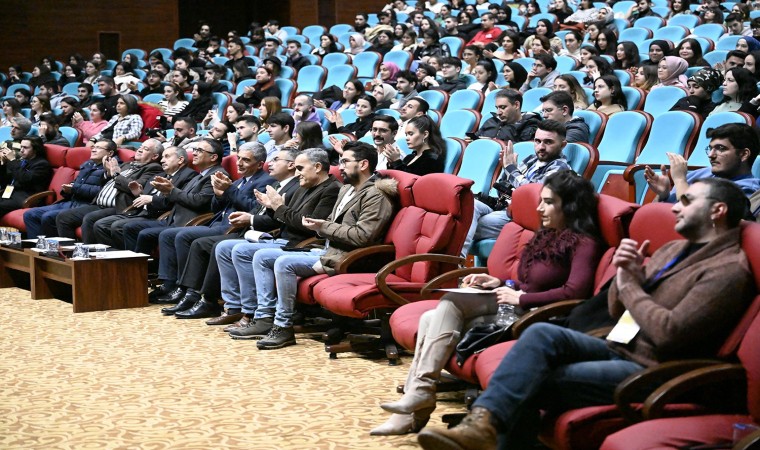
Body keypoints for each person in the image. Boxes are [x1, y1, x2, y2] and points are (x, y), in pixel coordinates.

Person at [416, 177, 755, 450]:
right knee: (541, 334)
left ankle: (484, 426)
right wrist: (624, 278)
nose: (675, 207)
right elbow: (617, 310)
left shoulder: (726, 271)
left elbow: (669, 333)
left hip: (652, 368)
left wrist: (629, 284)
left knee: (528, 380)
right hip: (619, 342)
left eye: (687, 201)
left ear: (717, 210)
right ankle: (483, 424)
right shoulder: (674, 249)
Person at [373, 170, 604, 435]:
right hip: (514, 305)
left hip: (539, 317)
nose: (539, 208)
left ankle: (419, 396)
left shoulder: (585, 243)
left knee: (448, 305)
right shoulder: (546, 235)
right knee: (429, 318)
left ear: (571, 206)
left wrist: (521, 297)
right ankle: (416, 403)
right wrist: (498, 282)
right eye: (541, 200)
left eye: (549, 202)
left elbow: (575, 293)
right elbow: (528, 281)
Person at [244, 142, 398, 349]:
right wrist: (320, 226)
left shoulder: (376, 195)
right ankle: (264, 317)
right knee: (262, 257)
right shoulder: (346, 189)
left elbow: (363, 236)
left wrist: (323, 226)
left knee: (283, 263)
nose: (340, 167)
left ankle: (283, 326)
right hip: (329, 249)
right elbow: (331, 225)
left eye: (345, 162)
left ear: (363, 164)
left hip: (349, 257)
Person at [214, 149, 340, 336]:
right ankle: (237, 307)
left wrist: (278, 206)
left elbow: (308, 226)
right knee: (225, 247)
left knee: (247, 252)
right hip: (285, 239)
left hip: (302, 244)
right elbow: (286, 218)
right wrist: (272, 207)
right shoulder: (304, 185)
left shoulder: (331, 189)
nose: (297, 173)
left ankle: (259, 314)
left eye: (300, 168)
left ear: (317, 167)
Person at [152, 143, 275, 318]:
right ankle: (186, 291)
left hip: (233, 228)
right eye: (238, 158)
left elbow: (253, 208)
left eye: (246, 160)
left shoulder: (266, 181)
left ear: (260, 164)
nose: (239, 163)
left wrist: (230, 190)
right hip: (218, 224)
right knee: (180, 236)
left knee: (189, 238)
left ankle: (191, 293)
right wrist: (218, 195)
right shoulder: (239, 181)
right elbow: (217, 209)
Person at [462, 120, 574, 256]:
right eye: (537, 141)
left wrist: (510, 168)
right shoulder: (531, 160)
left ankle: (455, 261)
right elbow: (503, 188)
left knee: (465, 222)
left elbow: (531, 193)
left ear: (562, 145)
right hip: (503, 207)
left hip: (521, 216)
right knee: (468, 206)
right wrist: (507, 170)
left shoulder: (561, 168)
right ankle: (454, 260)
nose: (541, 147)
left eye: (548, 142)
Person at [121, 139, 227, 254]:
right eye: (195, 149)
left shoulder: (218, 175)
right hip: (172, 219)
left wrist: (171, 190)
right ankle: (135, 263)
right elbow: (183, 197)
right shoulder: (200, 176)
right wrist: (168, 192)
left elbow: (199, 201)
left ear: (213, 157)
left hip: (189, 223)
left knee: (150, 234)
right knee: (131, 227)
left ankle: (142, 264)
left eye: (200, 150)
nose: (194, 153)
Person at [90, 145, 199, 248]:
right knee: (101, 225)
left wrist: (152, 199)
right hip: (141, 212)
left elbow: (177, 200)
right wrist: (138, 194)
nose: (162, 160)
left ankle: (130, 257)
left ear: (180, 160)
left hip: (160, 216)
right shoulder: (159, 175)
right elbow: (144, 197)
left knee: (118, 226)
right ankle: (114, 257)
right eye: (162, 157)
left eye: (167, 157)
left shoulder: (188, 176)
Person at [54, 140, 163, 240]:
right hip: (99, 204)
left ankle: (89, 254)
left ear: (155, 156)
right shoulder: (127, 164)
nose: (140, 149)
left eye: (146, 149)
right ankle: (68, 252)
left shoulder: (153, 168)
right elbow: (106, 183)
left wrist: (115, 174)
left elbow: (133, 187)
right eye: (141, 147)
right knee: (63, 217)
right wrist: (107, 173)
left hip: (119, 207)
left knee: (90, 219)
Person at [645, 123, 760, 202]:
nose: (711, 155)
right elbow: (656, 212)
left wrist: (680, 180)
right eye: (710, 148)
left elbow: (694, 216)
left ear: (744, 154)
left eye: (720, 148)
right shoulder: (701, 173)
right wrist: (663, 195)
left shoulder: (747, 189)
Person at [0, 136, 53, 218]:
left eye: (25, 147)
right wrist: (3, 165)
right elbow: (6, 181)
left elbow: (23, 179)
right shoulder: (22, 161)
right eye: (21, 147)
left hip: (26, 198)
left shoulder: (42, 164)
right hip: (11, 193)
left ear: (35, 149)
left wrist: (12, 160)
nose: (21, 150)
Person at [475, 89, 540, 142]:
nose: (498, 112)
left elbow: (522, 149)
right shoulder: (491, 121)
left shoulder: (530, 124)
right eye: (497, 108)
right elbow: (476, 137)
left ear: (516, 105)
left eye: (503, 107)